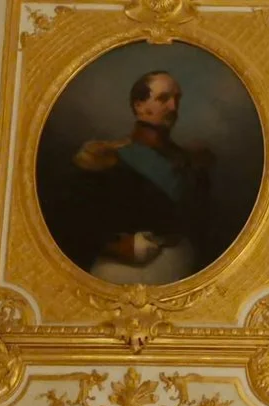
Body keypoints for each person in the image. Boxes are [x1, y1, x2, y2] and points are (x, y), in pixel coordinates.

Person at [46, 70, 218, 285]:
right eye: (163, 99)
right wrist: (116, 245)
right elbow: (74, 225)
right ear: (139, 106)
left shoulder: (191, 164)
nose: (173, 107)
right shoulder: (103, 160)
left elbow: (202, 226)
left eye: (177, 99)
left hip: (180, 272)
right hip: (121, 273)